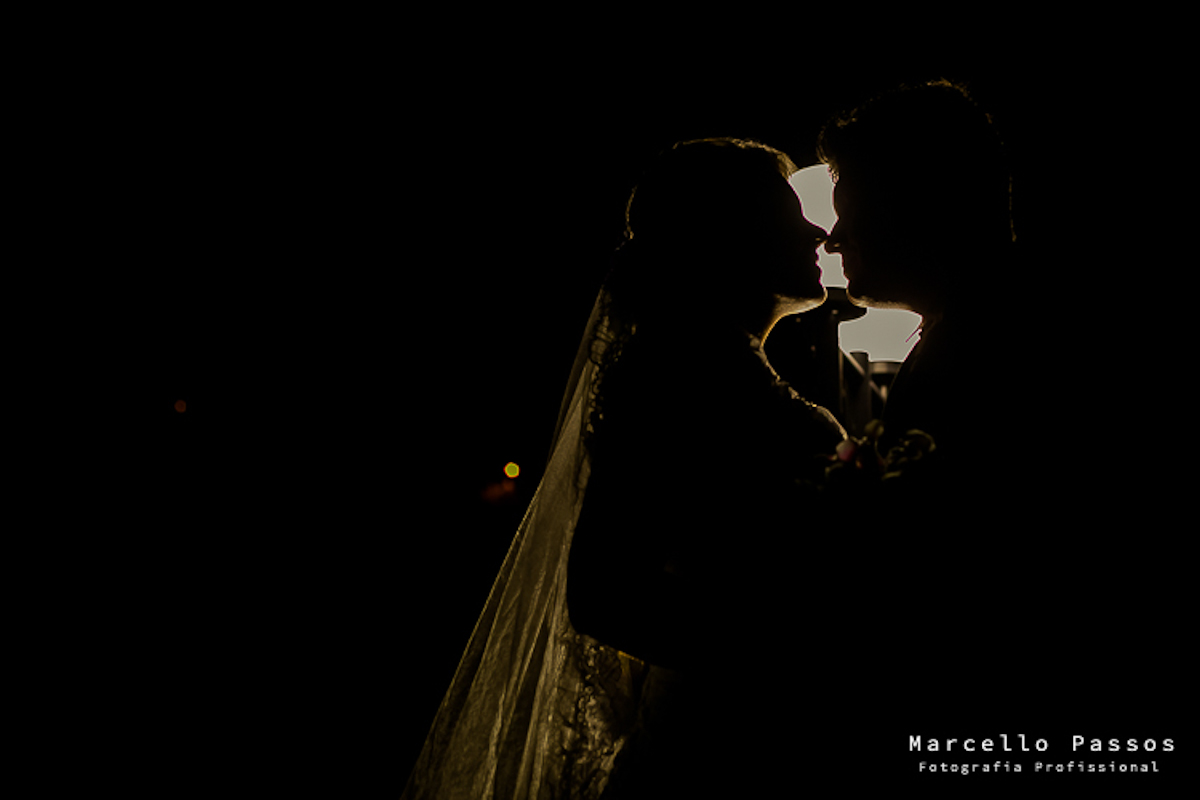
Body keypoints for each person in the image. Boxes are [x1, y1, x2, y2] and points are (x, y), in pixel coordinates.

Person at [402, 138, 845, 799]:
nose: (817, 233)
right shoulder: (676, 380)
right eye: (790, 217)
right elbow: (604, 595)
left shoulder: (722, 372)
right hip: (718, 742)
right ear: (726, 236)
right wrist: (789, 649)